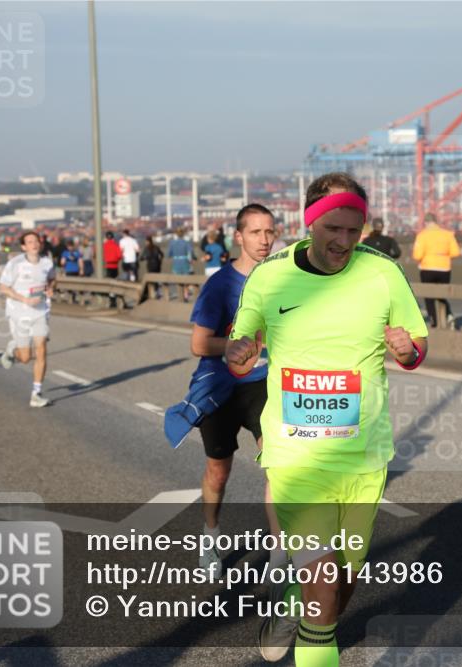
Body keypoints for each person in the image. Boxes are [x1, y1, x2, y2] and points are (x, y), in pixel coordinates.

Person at [226, 172, 428, 666]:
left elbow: (416, 346)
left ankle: (296, 606)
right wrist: (241, 352)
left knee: (340, 581)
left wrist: (409, 350)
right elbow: (242, 345)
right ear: (310, 221)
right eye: (333, 228)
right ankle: (310, 614)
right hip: (296, 455)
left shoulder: (382, 272)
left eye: (353, 230)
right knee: (322, 581)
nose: (343, 241)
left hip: (363, 455)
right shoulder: (271, 275)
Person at [190, 204, 277, 579]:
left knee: (279, 466)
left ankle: (278, 553)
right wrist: (229, 346)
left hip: (263, 386)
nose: (265, 240)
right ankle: (210, 535)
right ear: (238, 237)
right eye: (256, 233)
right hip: (222, 388)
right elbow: (198, 343)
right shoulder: (221, 285)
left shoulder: (280, 281)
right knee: (218, 471)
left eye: (270, 232)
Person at [0, 230, 56, 408]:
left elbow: (52, 279)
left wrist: (50, 288)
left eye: (36, 241)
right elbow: (2, 287)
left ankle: (36, 393)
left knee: (41, 350)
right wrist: (25, 300)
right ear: (24, 247)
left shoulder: (47, 262)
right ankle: (11, 350)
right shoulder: (15, 264)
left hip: (40, 312)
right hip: (18, 313)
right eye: (30, 242)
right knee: (25, 358)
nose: (34, 244)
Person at [413, 212, 460, 328]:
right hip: (444, 269)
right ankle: (448, 316)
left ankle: (434, 320)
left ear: (426, 223)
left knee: (429, 296)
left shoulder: (422, 235)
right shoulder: (448, 234)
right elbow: (455, 252)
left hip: (427, 268)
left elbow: (417, 255)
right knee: (442, 294)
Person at [168, 227, 196, 301]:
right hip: (185, 262)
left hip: (176, 262)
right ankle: (186, 294)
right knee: (185, 279)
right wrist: (193, 259)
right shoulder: (186, 243)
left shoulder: (172, 243)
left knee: (178, 279)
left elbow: (169, 254)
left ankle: (180, 295)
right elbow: (190, 253)